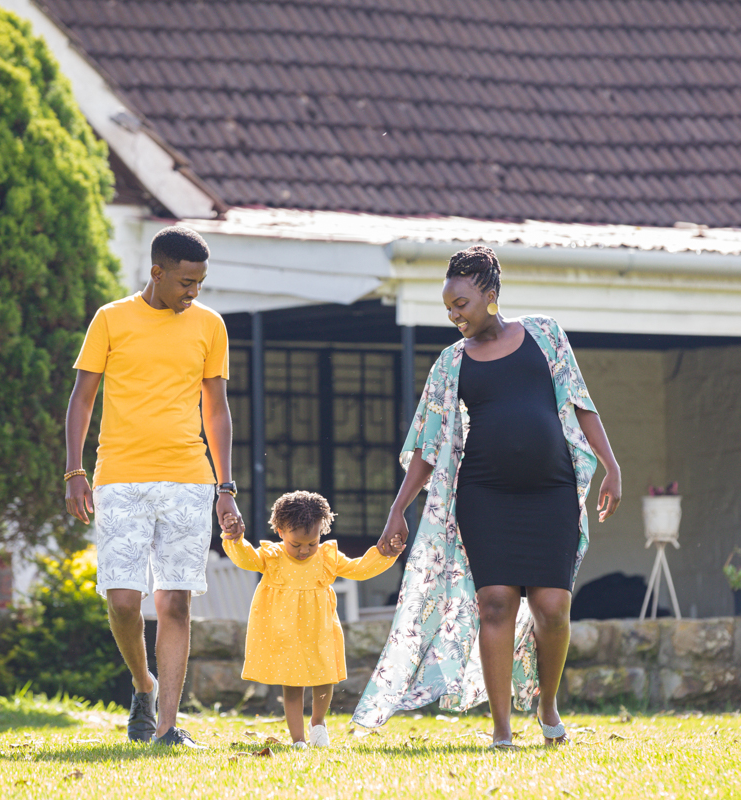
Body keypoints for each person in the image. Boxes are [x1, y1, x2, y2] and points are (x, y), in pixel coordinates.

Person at [354, 245, 621, 748]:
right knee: (495, 603)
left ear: (491, 297)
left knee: (552, 607)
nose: (455, 316)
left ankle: (546, 707)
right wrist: (397, 511)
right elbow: (428, 446)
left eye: (462, 305)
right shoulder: (451, 363)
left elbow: (582, 405)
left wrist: (612, 466)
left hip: (552, 491)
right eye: (449, 308)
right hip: (485, 494)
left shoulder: (545, 336)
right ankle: (501, 731)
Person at [63, 225, 245, 748]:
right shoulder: (111, 319)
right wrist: (74, 471)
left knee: (174, 603)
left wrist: (224, 486)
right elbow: (81, 400)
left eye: (201, 282)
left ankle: (167, 726)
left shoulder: (210, 325)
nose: (194, 291)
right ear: (157, 272)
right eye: (186, 281)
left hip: (189, 477)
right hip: (119, 476)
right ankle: (143, 684)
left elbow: (217, 409)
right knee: (122, 600)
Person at [221, 491, 396, 748]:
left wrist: (384, 554)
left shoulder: (326, 557)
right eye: (296, 544)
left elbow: (359, 569)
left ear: (320, 535)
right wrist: (235, 540)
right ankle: (298, 740)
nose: (305, 550)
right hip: (285, 633)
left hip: (320, 630)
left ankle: (317, 722)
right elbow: (246, 559)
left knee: (325, 678)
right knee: (292, 686)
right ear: (280, 532)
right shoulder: (272, 557)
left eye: (311, 543)